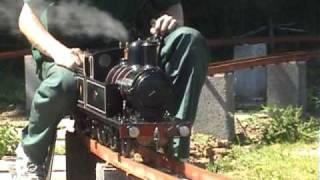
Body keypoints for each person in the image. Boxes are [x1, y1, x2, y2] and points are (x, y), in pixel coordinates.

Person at [17, 0, 209, 179]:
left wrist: (169, 21)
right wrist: (59, 52)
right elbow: (26, 18)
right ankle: (32, 154)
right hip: (68, 54)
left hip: (127, 51)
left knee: (189, 39)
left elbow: (173, 6)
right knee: (63, 83)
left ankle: (176, 151)